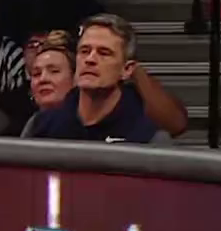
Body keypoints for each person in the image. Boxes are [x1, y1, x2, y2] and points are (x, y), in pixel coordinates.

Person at [24, 14, 169, 143]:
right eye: (84, 51)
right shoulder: (40, 126)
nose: (90, 59)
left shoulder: (147, 137)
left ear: (127, 69)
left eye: (104, 53)